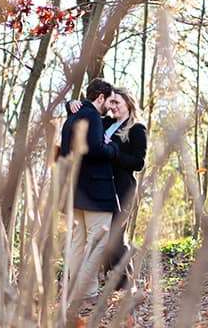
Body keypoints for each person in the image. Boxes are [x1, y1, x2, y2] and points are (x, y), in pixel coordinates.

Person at [69, 86, 147, 292]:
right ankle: (113, 281)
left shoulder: (137, 129)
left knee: (116, 236)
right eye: (110, 102)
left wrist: (112, 152)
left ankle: (127, 283)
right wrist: (72, 105)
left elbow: (138, 163)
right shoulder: (106, 123)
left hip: (124, 189)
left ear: (128, 104)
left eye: (116, 103)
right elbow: (88, 125)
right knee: (104, 236)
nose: (112, 107)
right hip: (103, 188)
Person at [60, 78, 120, 305]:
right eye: (110, 101)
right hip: (96, 190)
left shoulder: (72, 117)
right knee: (98, 241)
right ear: (101, 97)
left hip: (75, 190)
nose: (110, 108)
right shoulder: (93, 116)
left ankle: (75, 290)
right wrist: (112, 148)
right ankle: (88, 292)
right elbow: (94, 148)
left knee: (78, 242)